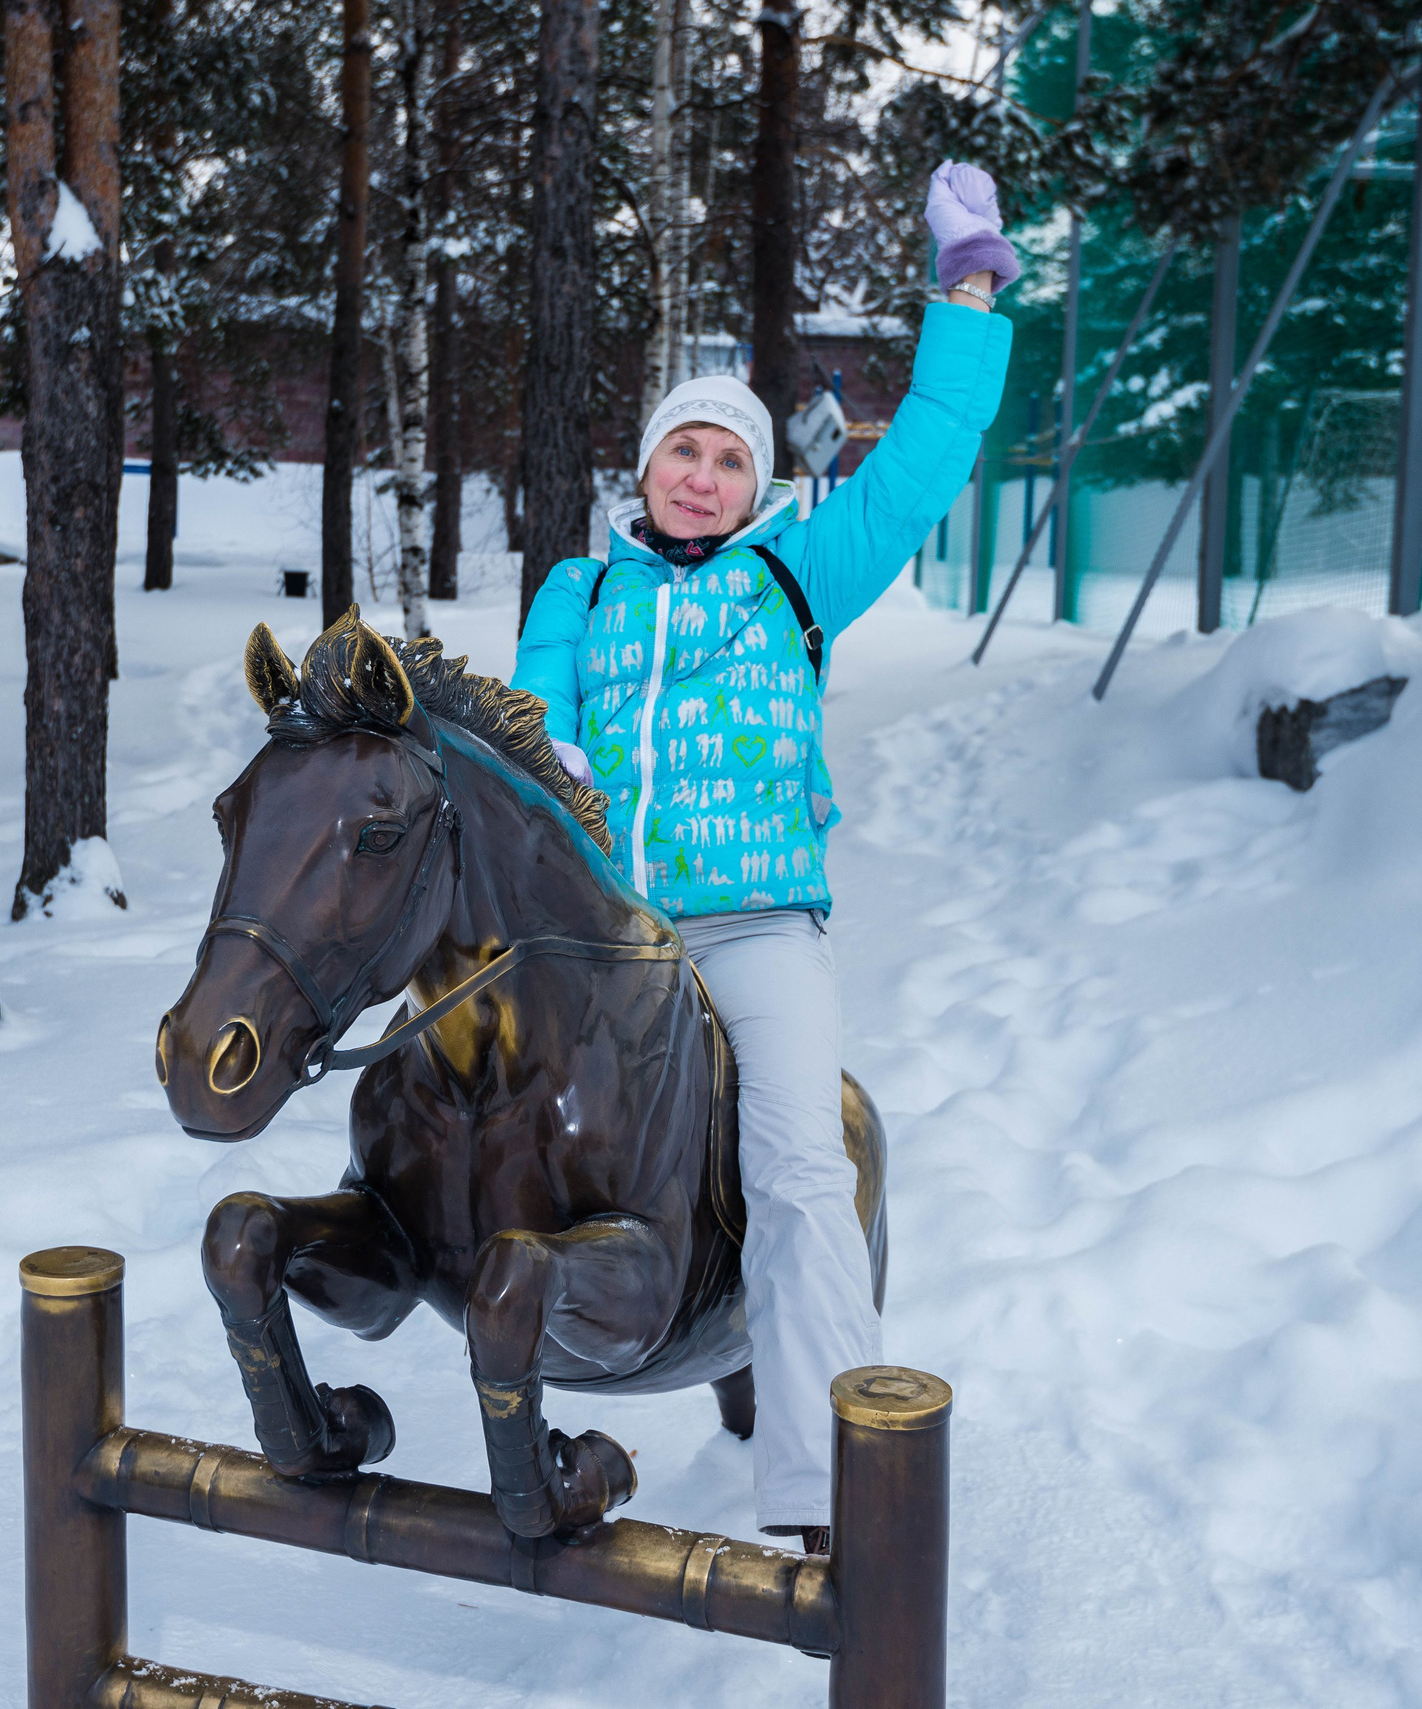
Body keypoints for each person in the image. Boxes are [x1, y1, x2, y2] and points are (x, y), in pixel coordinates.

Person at [512, 161, 1018, 1548]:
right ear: (645, 467)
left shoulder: (799, 570)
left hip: (753, 930)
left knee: (801, 1172)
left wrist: (965, 287)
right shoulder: (582, 586)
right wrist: (555, 768)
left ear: (757, 483)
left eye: (730, 457)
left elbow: (921, 461)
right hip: (606, 940)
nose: (703, 475)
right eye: (685, 449)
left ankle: (823, 1487)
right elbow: (534, 719)